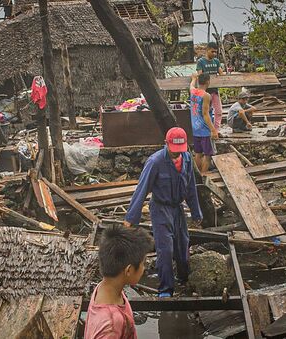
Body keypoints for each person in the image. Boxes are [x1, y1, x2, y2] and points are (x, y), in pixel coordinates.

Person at [123, 127, 203, 297]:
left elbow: (190, 188)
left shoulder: (187, 159)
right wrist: (131, 218)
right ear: (166, 144)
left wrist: (196, 213)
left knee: (182, 245)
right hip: (160, 208)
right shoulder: (155, 162)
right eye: (174, 151)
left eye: (179, 151)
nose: (176, 154)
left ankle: (183, 277)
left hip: (177, 208)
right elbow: (142, 189)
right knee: (165, 249)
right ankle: (166, 288)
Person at [84, 225, 153, 339]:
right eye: (143, 263)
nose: (144, 268)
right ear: (129, 270)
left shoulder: (105, 287)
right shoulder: (110, 326)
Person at [190, 73, 218, 173]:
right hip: (204, 129)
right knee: (207, 155)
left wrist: (193, 78)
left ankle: (196, 175)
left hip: (195, 128)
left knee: (198, 153)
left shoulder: (193, 92)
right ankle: (203, 175)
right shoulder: (206, 95)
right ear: (207, 82)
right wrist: (213, 130)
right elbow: (205, 114)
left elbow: (191, 85)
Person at [196, 42, 225, 131]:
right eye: (212, 51)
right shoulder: (201, 62)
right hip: (205, 92)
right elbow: (200, 76)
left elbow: (221, 74)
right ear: (207, 50)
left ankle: (216, 130)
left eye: (215, 52)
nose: (214, 54)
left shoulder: (216, 61)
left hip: (214, 90)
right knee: (205, 111)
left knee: (219, 111)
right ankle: (206, 129)